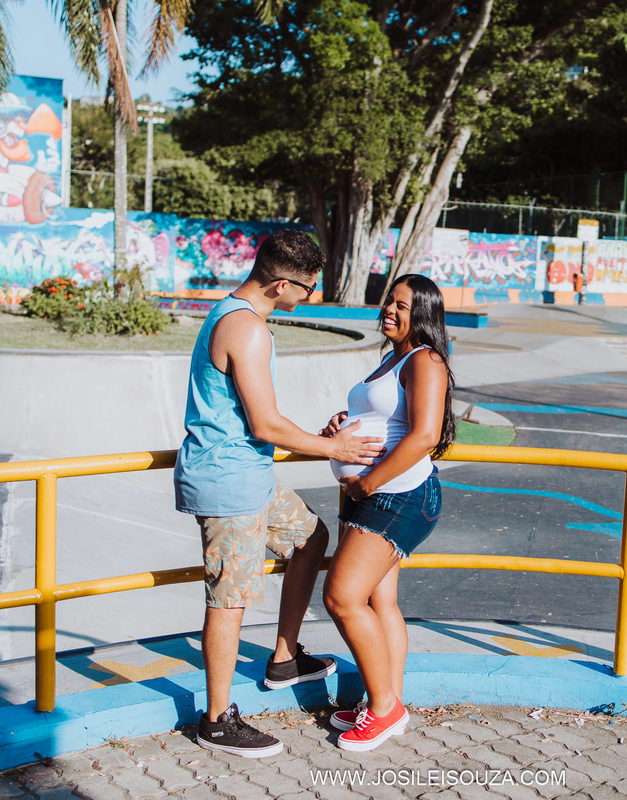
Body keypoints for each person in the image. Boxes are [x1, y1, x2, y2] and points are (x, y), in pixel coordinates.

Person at [173, 229, 383, 758]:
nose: (311, 296)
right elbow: (265, 423)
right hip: (228, 483)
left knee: (310, 539)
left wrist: (320, 437)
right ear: (282, 285)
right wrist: (333, 446)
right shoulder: (246, 329)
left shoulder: (236, 316)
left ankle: (285, 659)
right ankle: (217, 720)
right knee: (230, 599)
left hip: (252, 476)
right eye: (309, 288)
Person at [321, 273, 455, 752]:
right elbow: (386, 417)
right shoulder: (393, 357)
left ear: (422, 314)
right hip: (377, 493)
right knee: (381, 602)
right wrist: (343, 424)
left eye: (402, 305)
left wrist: (366, 482)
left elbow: (425, 435)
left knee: (341, 597)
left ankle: (383, 709)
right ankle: (388, 701)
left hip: (397, 495)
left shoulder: (426, 360)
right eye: (389, 302)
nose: (390, 311)